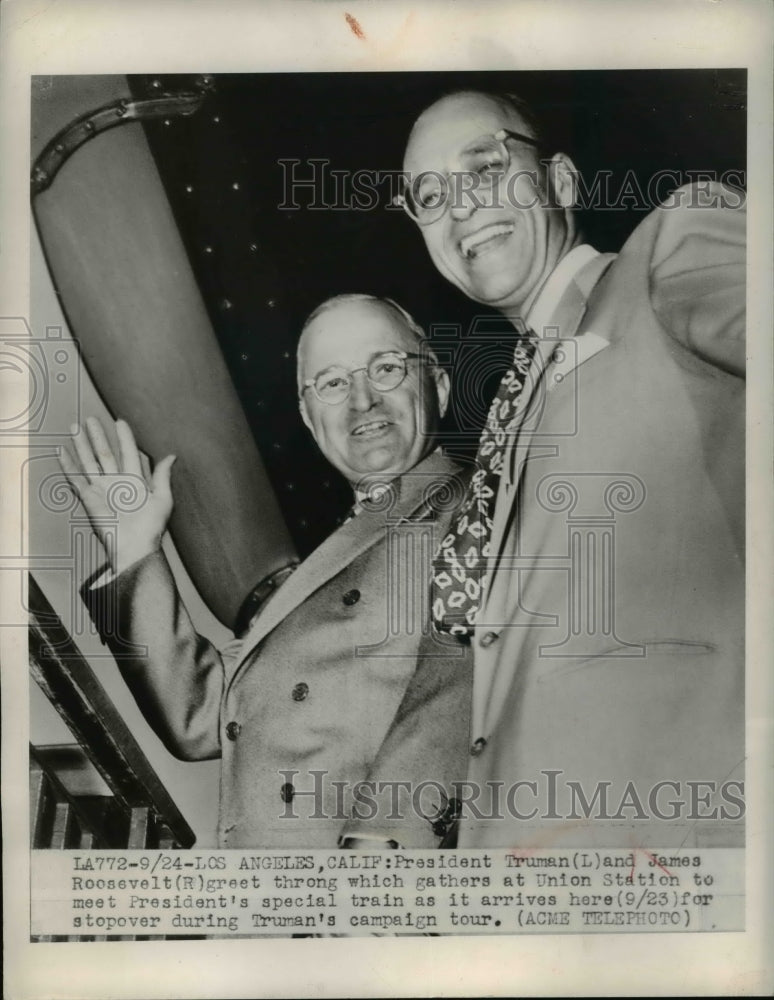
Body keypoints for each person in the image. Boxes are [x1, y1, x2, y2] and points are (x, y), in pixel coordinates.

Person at [386, 90, 745, 849]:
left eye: (483, 167)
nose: (460, 209)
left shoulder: (669, 248)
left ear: (563, 182)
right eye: (428, 195)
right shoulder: (504, 424)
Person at [59, 293, 473, 849]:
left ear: (439, 386)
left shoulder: (479, 508)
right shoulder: (330, 557)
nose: (363, 400)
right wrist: (136, 551)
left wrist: (372, 893)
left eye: (387, 368)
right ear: (309, 418)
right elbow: (202, 716)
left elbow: (462, 698)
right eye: (331, 383)